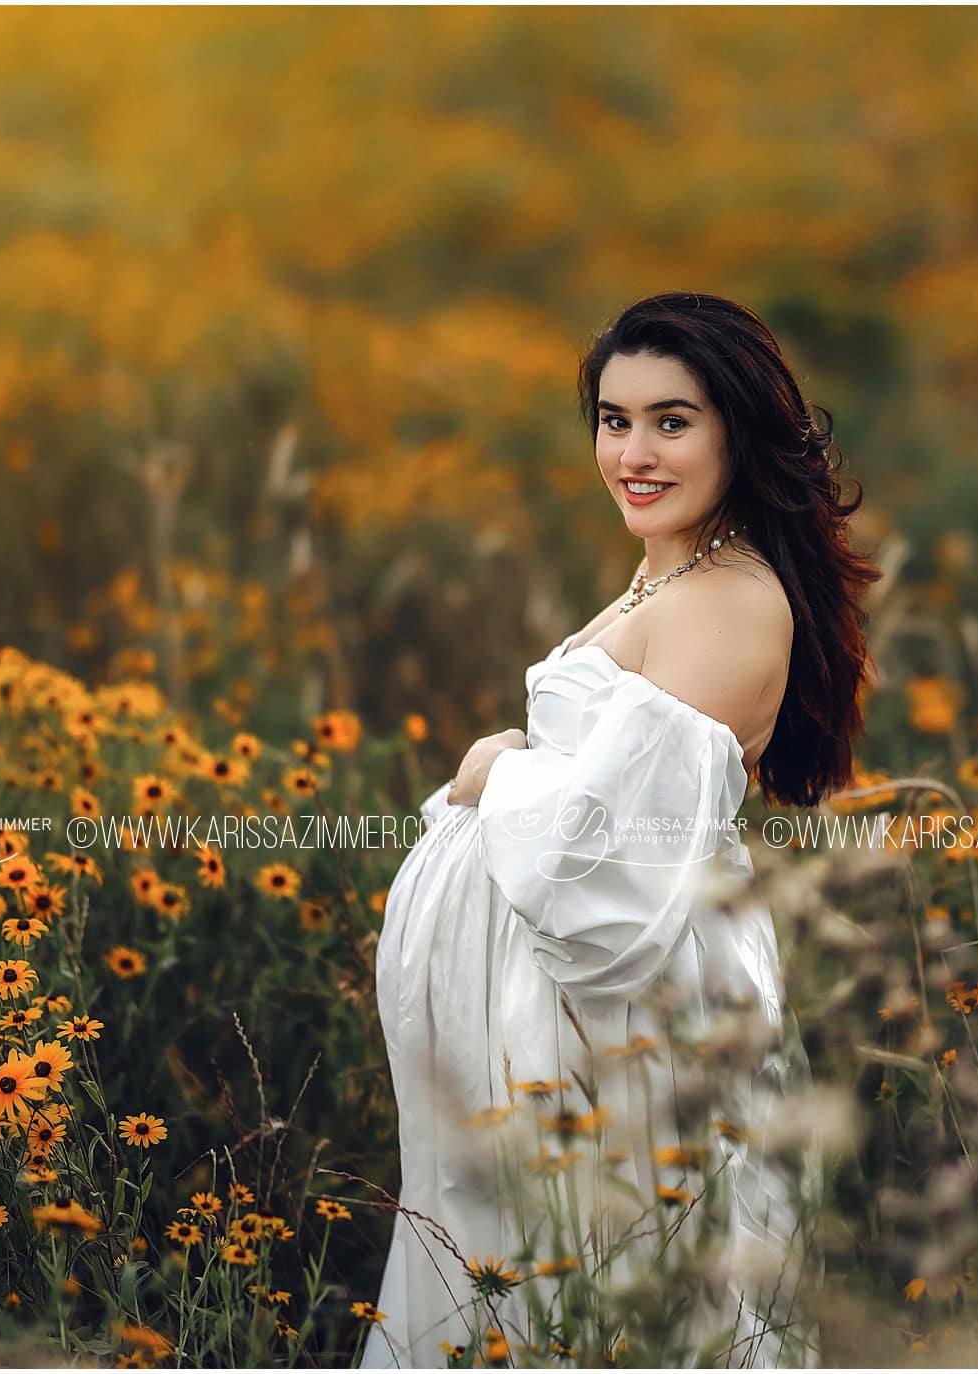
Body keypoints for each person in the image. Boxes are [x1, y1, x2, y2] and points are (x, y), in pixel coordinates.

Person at [363, 292, 879, 1368]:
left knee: (626, 1290)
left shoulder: (727, 600)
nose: (633, 452)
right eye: (614, 418)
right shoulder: (677, 562)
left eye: (672, 422)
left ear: (738, 428)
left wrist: (491, 768)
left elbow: (612, 873)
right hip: (567, 1021)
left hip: (625, 1023)